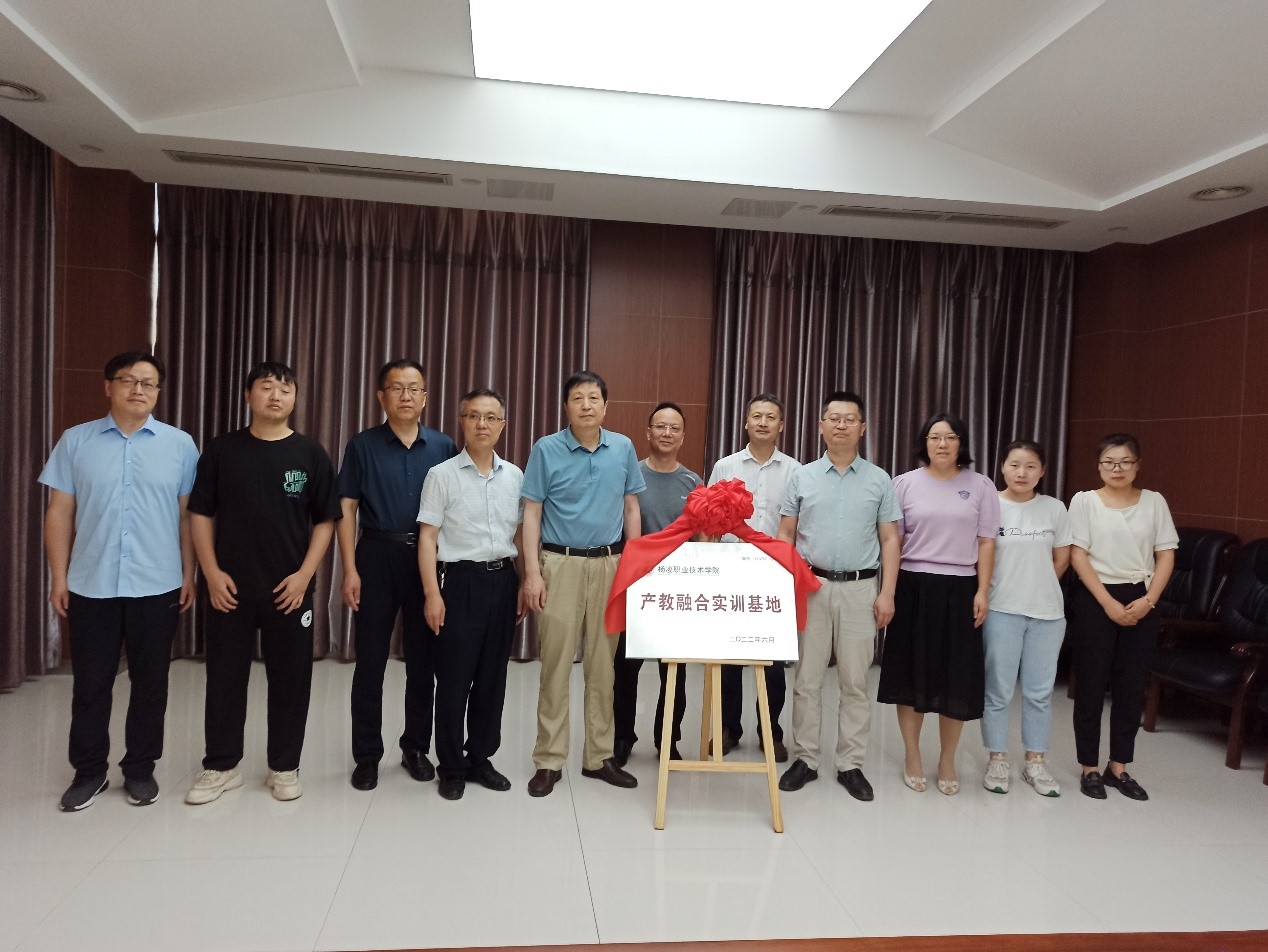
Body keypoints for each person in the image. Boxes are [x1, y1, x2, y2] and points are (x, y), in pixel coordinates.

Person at [39, 351, 199, 811]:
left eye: (148, 383)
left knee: (151, 682)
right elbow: (60, 512)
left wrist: (188, 573)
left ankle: (140, 769)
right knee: (91, 683)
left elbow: (188, 517)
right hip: (91, 584)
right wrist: (58, 576)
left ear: (158, 392)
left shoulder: (180, 445)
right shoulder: (76, 441)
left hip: (158, 583)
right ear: (108, 386)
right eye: (128, 380)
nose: (138, 389)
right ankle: (89, 771)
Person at [185, 361, 341, 804]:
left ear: (295, 399)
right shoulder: (222, 450)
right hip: (229, 589)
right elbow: (200, 513)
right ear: (248, 395)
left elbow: (326, 520)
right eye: (266, 387)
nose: (276, 396)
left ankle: (285, 766)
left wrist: (305, 576)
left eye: (285, 389)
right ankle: (221, 766)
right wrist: (210, 572)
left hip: (290, 591)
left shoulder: (310, 453)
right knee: (224, 678)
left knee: (291, 680)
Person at [520, 370, 644, 796]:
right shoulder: (546, 449)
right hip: (560, 564)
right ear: (566, 406)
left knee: (603, 666)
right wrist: (532, 572)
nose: (586, 405)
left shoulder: (623, 447)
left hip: (610, 564)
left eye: (594, 398)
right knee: (555, 665)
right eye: (578, 398)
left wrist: (633, 565)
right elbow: (532, 512)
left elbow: (631, 508)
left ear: (606, 406)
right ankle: (549, 759)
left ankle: (599, 756)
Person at [337, 360, 457, 791]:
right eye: (397, 388)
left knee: (423, 662)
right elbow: (346, 507)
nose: (406, 396)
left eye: (414, 388)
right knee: (370, 661)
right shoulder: (362, 445)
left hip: (428, 560)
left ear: (425, 397)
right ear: (381, 396)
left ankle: (415, 748)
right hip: (376, 555)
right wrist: (349, 569)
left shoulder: (443, 446)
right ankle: (367, 755)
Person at [776, 391, 900, 801]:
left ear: (862, 428)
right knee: (807, 679)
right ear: (821, 426)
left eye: (849, 419)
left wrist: (887, 593)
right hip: (812, 585)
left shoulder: (879, 479)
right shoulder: (802, 477)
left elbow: (890, 539)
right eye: (834, 418)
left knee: (855, 681)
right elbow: (786, 534)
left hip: (862, 590)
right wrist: (785, 584)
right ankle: (806, 759)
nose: (841, 425)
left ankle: (851, 763)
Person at [877, 412, 998, 795]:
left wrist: (982, 591)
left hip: (960, 588)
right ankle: (912, 754)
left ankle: (947, 758)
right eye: (934, 437)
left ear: (961, 443)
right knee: (910, 674)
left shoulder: (980, 486)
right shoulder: (904, 484)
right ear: (924, 443)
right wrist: (888, 591)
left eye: (950, 437)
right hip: (913, 586)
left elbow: (986, 542)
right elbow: (893, 541)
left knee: (955, 678)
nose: (942, 444)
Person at [417, 388, 523, 800]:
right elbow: (428, 538)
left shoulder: (515, 476)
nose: (482, 424)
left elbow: (521, 534)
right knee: (454, 679)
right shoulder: (441, 475)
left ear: (502, 425)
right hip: (459, 583)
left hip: (503, 581)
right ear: (461, 421)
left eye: (491, 417)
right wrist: (432, 594)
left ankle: (480, 757)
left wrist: (523, 581)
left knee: (493, 679)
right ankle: (451, 766)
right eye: (474, 416)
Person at [1068, 433, 1176, 801]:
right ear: (1098, 466)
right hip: (1096, 596)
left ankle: (1119, 767)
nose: (1117, 468)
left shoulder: (1154, 502)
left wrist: (1149, 601)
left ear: (1137, 465)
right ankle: (1089, 768)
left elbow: (1166, 554)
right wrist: (1107, 602)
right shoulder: (1084, 501)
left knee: (1131, 687)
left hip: (1141, 598)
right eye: (1109, 462)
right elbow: (1078, 555)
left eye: (1125, 462)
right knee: (1091, 685)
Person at [707, 393, 798, 761]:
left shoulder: (796, 471)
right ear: (746, 423)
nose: (763, 422)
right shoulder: (725, 467)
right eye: (756, 416)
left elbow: (797, 527)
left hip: (773, 574)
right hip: (730, 571)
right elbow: (709, 521)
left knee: (772, 663)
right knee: (729, 660)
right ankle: (729, 728)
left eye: (770, 417)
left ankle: (770, 731)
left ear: (781, 426)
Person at [612, 402, 703, 766]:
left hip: (678, 592)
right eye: (660, 426)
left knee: (674, 672)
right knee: (625, 669)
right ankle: (622, 737)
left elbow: (701, 539)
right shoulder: (628, 475)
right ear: (647, 432)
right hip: (635, 587)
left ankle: (668, 739)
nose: (667, 433)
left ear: (683, 436)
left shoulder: (693, 483)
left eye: (674, 428)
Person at [980, 440, 1072, 797]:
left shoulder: (1054, 508)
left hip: (1047, 613)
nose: (1022, 473)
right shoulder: (990, 505)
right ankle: (997, 758)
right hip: (1001, 610)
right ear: (1002, 467)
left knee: (1039, 692)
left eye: (1031, 466)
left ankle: (1035, 762)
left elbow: (1061, 559)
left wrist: (1038, 585)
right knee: (999, 690)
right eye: (1015, 465)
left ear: (1042, 471)